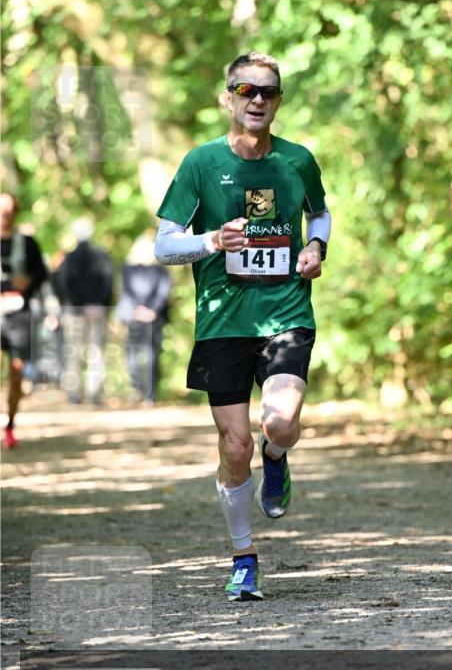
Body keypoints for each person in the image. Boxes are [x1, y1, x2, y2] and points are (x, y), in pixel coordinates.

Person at [155, 51, 331, 603]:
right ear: (229, 97)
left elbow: (318, 213)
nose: (258, 99)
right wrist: (210, 241)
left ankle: (277, 456)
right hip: (222, 324)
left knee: (278, 422)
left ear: (279, 101)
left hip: (286, 314)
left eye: (268, 92)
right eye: (247, 90)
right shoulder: (200, 163)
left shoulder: (298, 160)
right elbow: (163, 245)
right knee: (234, 448)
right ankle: (244, 559)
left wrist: (317, 245)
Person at [0, 193, 48, 449]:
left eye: (9, 210)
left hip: (19, 314)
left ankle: (10, 426)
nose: (4, 215)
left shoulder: (27, 243)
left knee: (15, 374)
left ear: (15, 213)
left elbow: (42, 272)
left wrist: (28, 282)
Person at [59, 217, 114, 405]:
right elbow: (108, 283)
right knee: (96, 352)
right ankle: (94, 393)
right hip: (96, 311)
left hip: (75, 312)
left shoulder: (69, 257)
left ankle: (74, 392)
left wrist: (80, 305)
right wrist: (98, 304)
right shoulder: (102, 255)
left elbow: (65, 285)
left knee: (73, 352)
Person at [117, 232, 171, 404]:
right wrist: (150, 310)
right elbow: (162, 294)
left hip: (140, 316)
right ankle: (148, 393)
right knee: (149, 353)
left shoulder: (128, 270)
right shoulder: (160, 271)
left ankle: (141, 390)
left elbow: (127, 292)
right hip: (147, 317)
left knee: (137, 353)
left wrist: (141, 310)